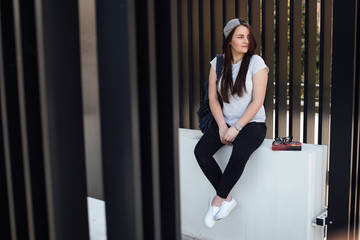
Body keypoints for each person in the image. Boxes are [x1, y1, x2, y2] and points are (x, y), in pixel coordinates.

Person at [194, 18, 268, 228]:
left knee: (240, 153)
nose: (246, 41)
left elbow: (258, 101)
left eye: (248, 36)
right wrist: (223, 126)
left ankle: (217, 201)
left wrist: (237, 128)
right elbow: (213, 100)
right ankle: (228, 199)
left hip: (252, 123)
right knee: (201, 151)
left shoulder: (256, 63)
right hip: (225, 122)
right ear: (229, 40)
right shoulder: (217, 64)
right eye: (240, 36)